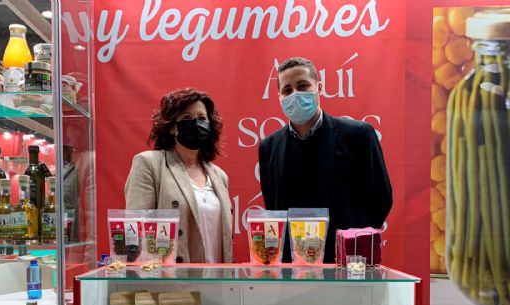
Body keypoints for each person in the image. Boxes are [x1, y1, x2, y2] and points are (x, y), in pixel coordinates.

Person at [258, 57, 392, 263]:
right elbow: (273, 208)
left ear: (319, 88)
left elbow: (382, 197)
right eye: (287, 90)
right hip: (292, 267)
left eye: (302, 86)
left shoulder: (358, 136)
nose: (295, 94)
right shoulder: (269, 148)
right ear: (279, 96)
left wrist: (355, 242)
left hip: (347, 263)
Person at [125, 88, 233, 263]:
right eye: (186, 118)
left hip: (218, 276)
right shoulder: (149, 164)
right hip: (173, 276)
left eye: (202, 118)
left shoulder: (220, 176)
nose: (196, 123)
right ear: (171, 127)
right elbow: (136, 232)